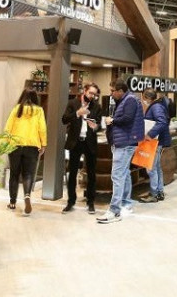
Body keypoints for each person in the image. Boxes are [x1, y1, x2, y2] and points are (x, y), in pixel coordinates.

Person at [97, 78, 144, 224]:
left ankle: (115, 211)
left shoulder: (129, 100)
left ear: (121, 91)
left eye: (113, 91)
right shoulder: (126, 100)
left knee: (117, 176)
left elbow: (127, 119)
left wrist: (112, 121)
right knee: (124, 174)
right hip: (123, 142)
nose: (111, 94)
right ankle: (126, 204)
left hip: (124, 143)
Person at [4, 88, 47, 216]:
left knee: (14, 174)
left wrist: (6, 143)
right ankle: (27, 195)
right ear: (35, 98)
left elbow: (8, 127)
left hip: (15, 145)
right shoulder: (39, 110)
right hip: (32, 146)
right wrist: (43, 144)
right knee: (28, 174)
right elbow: (42, 128)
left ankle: (12, 202)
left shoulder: (17, 109)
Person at [61, 82, 102, 214]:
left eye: (94, 94)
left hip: (90, 143)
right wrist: (77, 113)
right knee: (72, 172)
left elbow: (99, 126)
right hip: (76, 142)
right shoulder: (73, 103)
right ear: (84, 90)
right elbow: (64, 119)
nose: (92, 96)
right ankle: (70, 201)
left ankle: (90, 202)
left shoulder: (97, 106)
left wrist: (95, 127)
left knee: (91, 174)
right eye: (90, 93)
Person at [139, 88, 171, 203]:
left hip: (155, 142)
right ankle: (159, 192)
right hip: (158, 142)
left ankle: (154, 194)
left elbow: (161, 122)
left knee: (151, 169)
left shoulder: (156, 107)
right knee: (156, 167)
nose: (143, 100)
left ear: (147, 97)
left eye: (143, 98)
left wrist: (150, 134)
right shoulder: (157, 105)